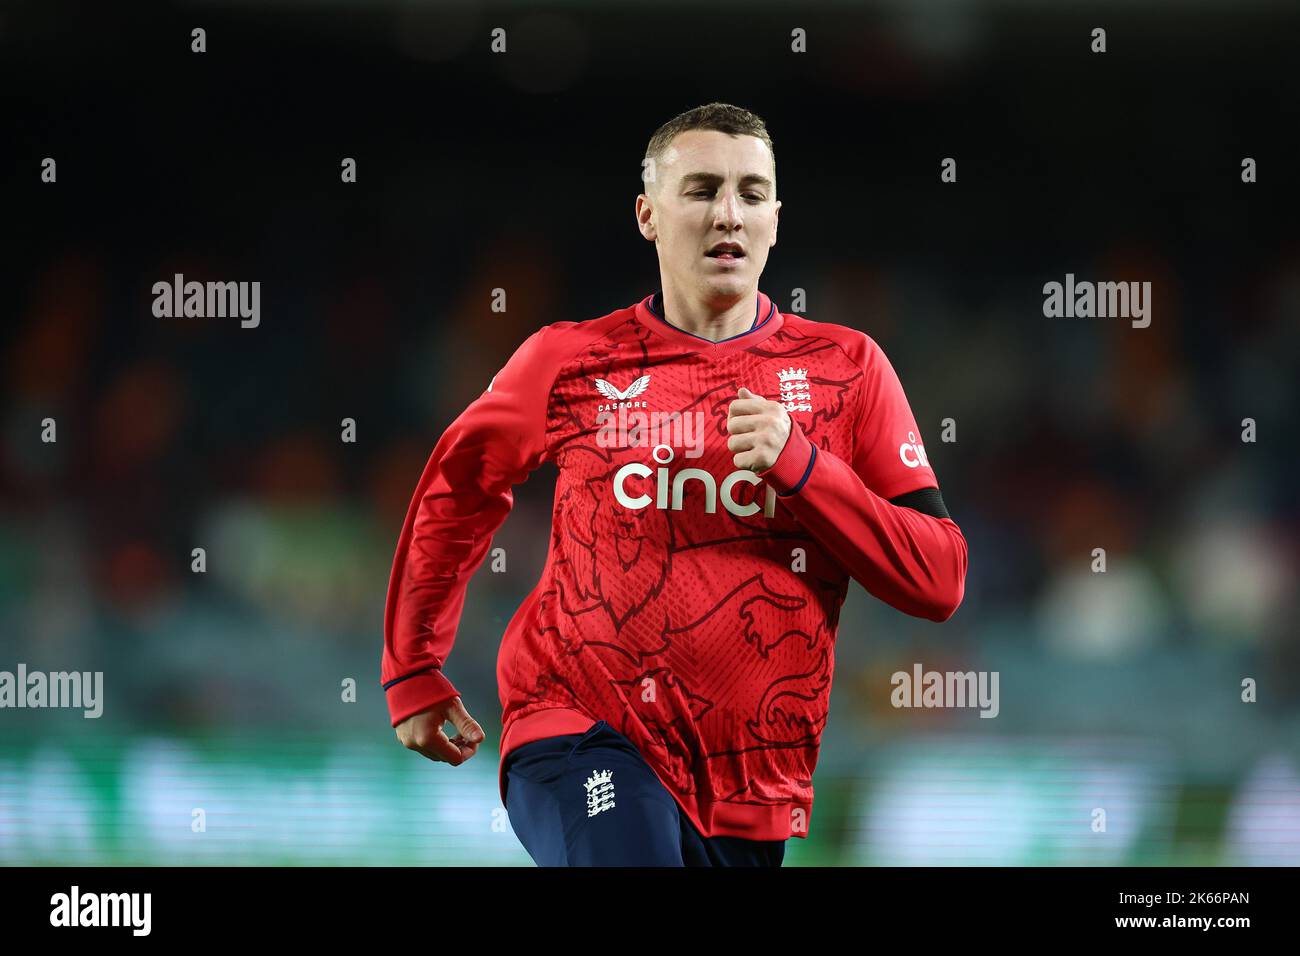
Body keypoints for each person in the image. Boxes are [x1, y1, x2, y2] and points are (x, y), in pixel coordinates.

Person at [381, 102, 968, 866]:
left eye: (752, 194)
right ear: (648, 215)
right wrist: (412, 666)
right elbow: (457, 491)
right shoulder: (569, 360)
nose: (728, 213)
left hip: (753, 784)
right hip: (582, 730)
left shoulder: (848, 370)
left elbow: (939, 578)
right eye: (701, 190)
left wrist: (805, 470)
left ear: (776, 220)